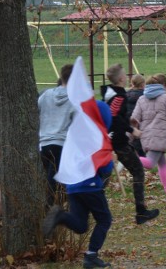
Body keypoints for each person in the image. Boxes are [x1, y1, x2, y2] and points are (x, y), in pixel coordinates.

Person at [42, 101, 114, 269]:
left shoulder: (74, 136)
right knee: (104, 220)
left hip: (73, 186)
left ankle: (61, 216)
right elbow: (106, 165)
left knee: (80, 225)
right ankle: (91, 256)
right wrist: (107, 169)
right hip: (90, 185)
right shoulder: (98, 136)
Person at [100, 64, 158, 224]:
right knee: (138, 171)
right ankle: (141, 212)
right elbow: (114, 117)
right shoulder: (119, 95)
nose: (126, 77)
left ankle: (92, 205)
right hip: (117, 140)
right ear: (120, 78)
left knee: (104, 174)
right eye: (125, 75)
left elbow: (115, 114)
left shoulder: (109, 93)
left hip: (109, 139)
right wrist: (131, 130)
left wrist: (128, 120)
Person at [132, 75, 166, 202]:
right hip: (160, 136)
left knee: (162, 165)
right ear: (163, 86)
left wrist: (129, 136)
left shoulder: (141, 98)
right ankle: (128, 159)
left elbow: (134, 120)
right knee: (150, 163)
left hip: (147, 135)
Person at [38, 64, 75, 203]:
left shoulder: (46, 94)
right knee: (55, 181)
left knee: (49, 177)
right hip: (62, 143)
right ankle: (50, 209)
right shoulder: (75, 99)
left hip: (44, 142)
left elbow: (37, 109)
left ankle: (51, 206)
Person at [126, 74, 146, 157]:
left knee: (130, 143)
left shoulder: (126, 94)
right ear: (142, 84)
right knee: (139, 142)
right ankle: (143, 159)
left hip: (128, 122)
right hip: (139, 122)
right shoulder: (144, 96)